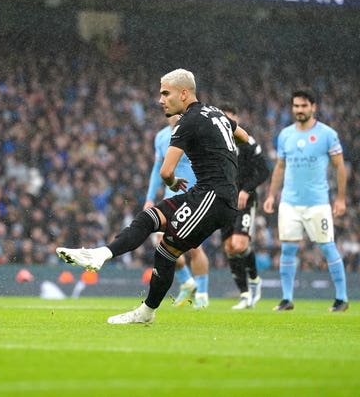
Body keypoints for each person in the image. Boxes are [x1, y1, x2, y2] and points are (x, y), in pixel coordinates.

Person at [57, 68, 248, 324]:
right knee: (148, 218)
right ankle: (101, 254)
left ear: (183, 93)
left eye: (165, 93)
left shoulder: (187, 121)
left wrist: (172, 181)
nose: (160, 100)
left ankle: (147, 312)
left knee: (166, 252)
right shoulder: (216, 113)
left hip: (213, 198)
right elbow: (244, 137)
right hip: (207, 193)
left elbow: (166, 171)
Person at [263, 90, 349, 312]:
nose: (299, 110)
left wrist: (340, 198)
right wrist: (272, 195)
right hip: (290, 202)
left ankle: (341, 298)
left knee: (328, 247)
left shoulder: (327, 134)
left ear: (313, 107)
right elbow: (280, 167)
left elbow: (340, 166)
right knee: (288, 250)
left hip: (318, 203)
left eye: (303, 106)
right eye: (296, 106)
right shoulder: (285, 135)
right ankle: (287, 298)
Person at [144, 115, 210, 309]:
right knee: (161, 244)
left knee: (194, 247)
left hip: (195, 197)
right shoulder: (161, 137)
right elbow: (158, 168)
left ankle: (203, 295)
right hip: (170, 199)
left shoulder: (196, 134)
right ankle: (188, 282)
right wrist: (149, 198)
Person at [220, 105, 269, 309]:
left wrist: (246, 190)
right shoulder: (216, 145)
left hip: (245, 200)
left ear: (236, 120)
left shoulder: (247, 142)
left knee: (239, 244)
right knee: (230, 248)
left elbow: (264, 171)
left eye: (230, 119)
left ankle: (255, 279)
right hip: (223, 200)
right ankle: (244, 294)